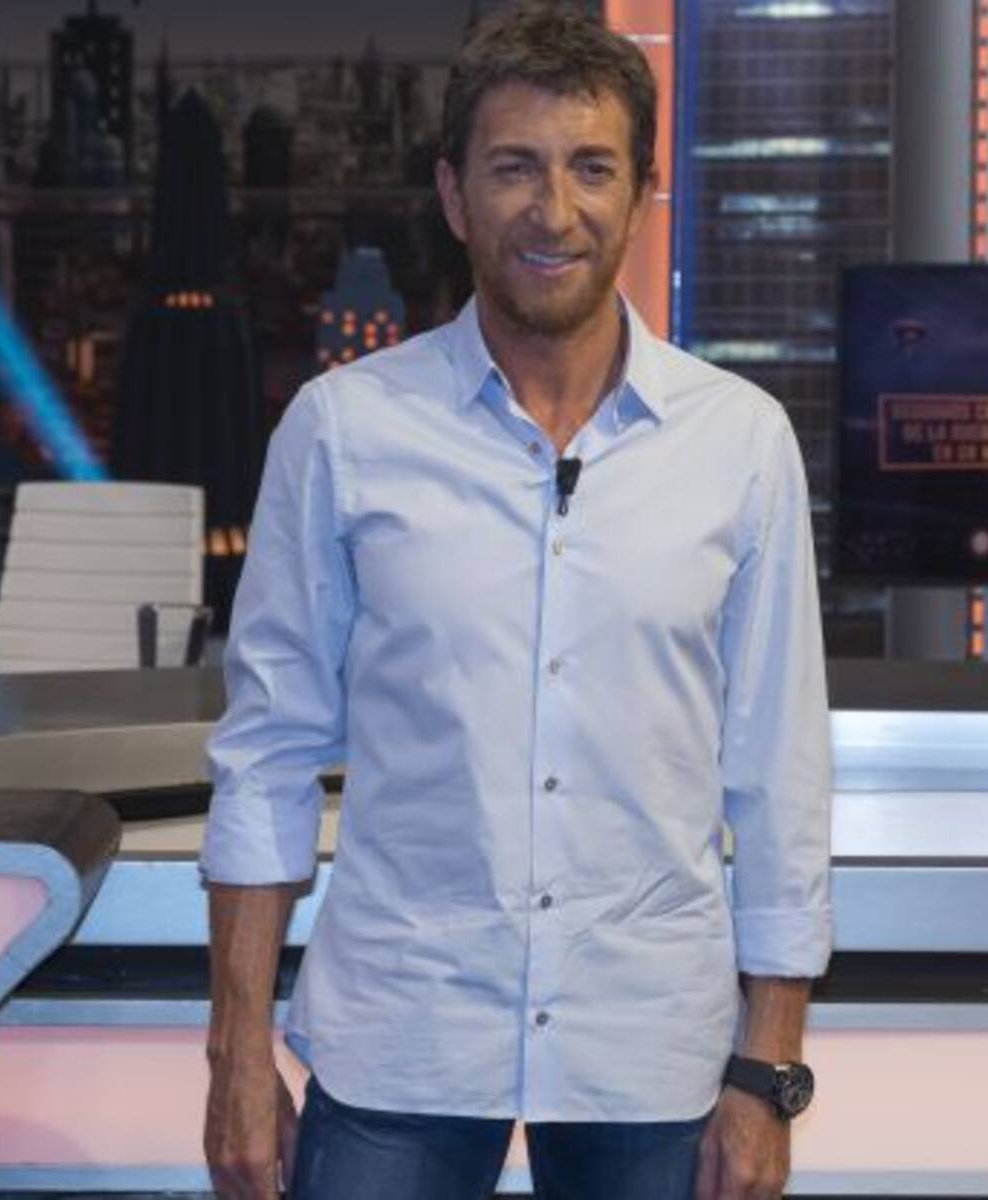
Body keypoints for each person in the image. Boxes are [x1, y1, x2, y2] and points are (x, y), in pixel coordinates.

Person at [200, 4, 832, 1199]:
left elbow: (779, 778)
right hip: (403, 1034)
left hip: (652, 1049)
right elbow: (267, 756)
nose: (554, 210)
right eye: (514, 168)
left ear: (640, 194)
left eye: (592, 168)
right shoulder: (343, 432)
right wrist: (236, 1055)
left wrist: (770, 1069)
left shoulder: (740, 443)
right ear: (454, 195)